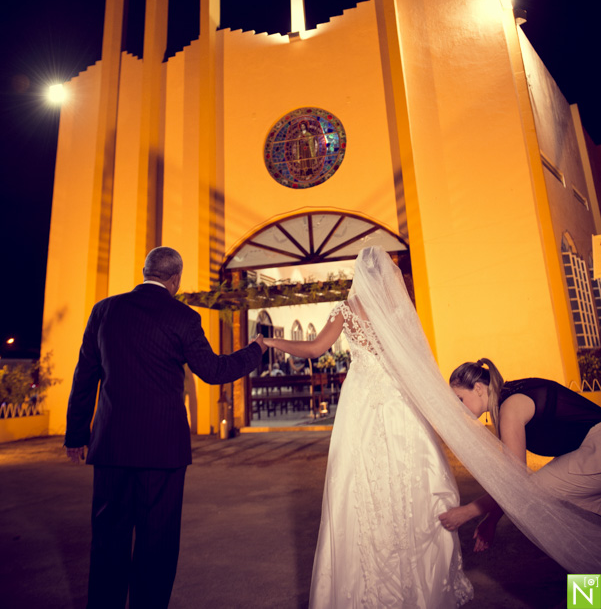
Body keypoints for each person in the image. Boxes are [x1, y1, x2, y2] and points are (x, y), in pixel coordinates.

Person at [263, 246, 474, 608]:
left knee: (358, 484)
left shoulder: (348, 310)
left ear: (360, 274)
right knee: (408, 484)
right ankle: (419, 588)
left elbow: (315, 350)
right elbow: (418, 365)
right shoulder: (397, 311)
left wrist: (270, 340)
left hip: (360, 404)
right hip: (398, 403)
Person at [64, 246, 266, 609]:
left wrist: (76, 436)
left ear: (145, 272)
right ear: (175, 279)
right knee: (156, 544)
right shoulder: (183, 317)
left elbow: (85, 376)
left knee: (108, 540)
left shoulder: (104, 311)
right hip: (163, 450)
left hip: (111, 446)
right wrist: (255, 350)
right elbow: (214, 371)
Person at [439, 358, 601, 550]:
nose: (458, 408)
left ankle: (588, 577)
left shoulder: (510, 408)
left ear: (478, 388)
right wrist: (492, 520)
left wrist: (466, 512)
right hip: (587, 450)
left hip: (595, 447)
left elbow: (517, 484)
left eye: (460, 399)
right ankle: (589, 579)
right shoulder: (508, 397)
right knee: (573, 515)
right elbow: (514, 482)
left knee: (540, 496)